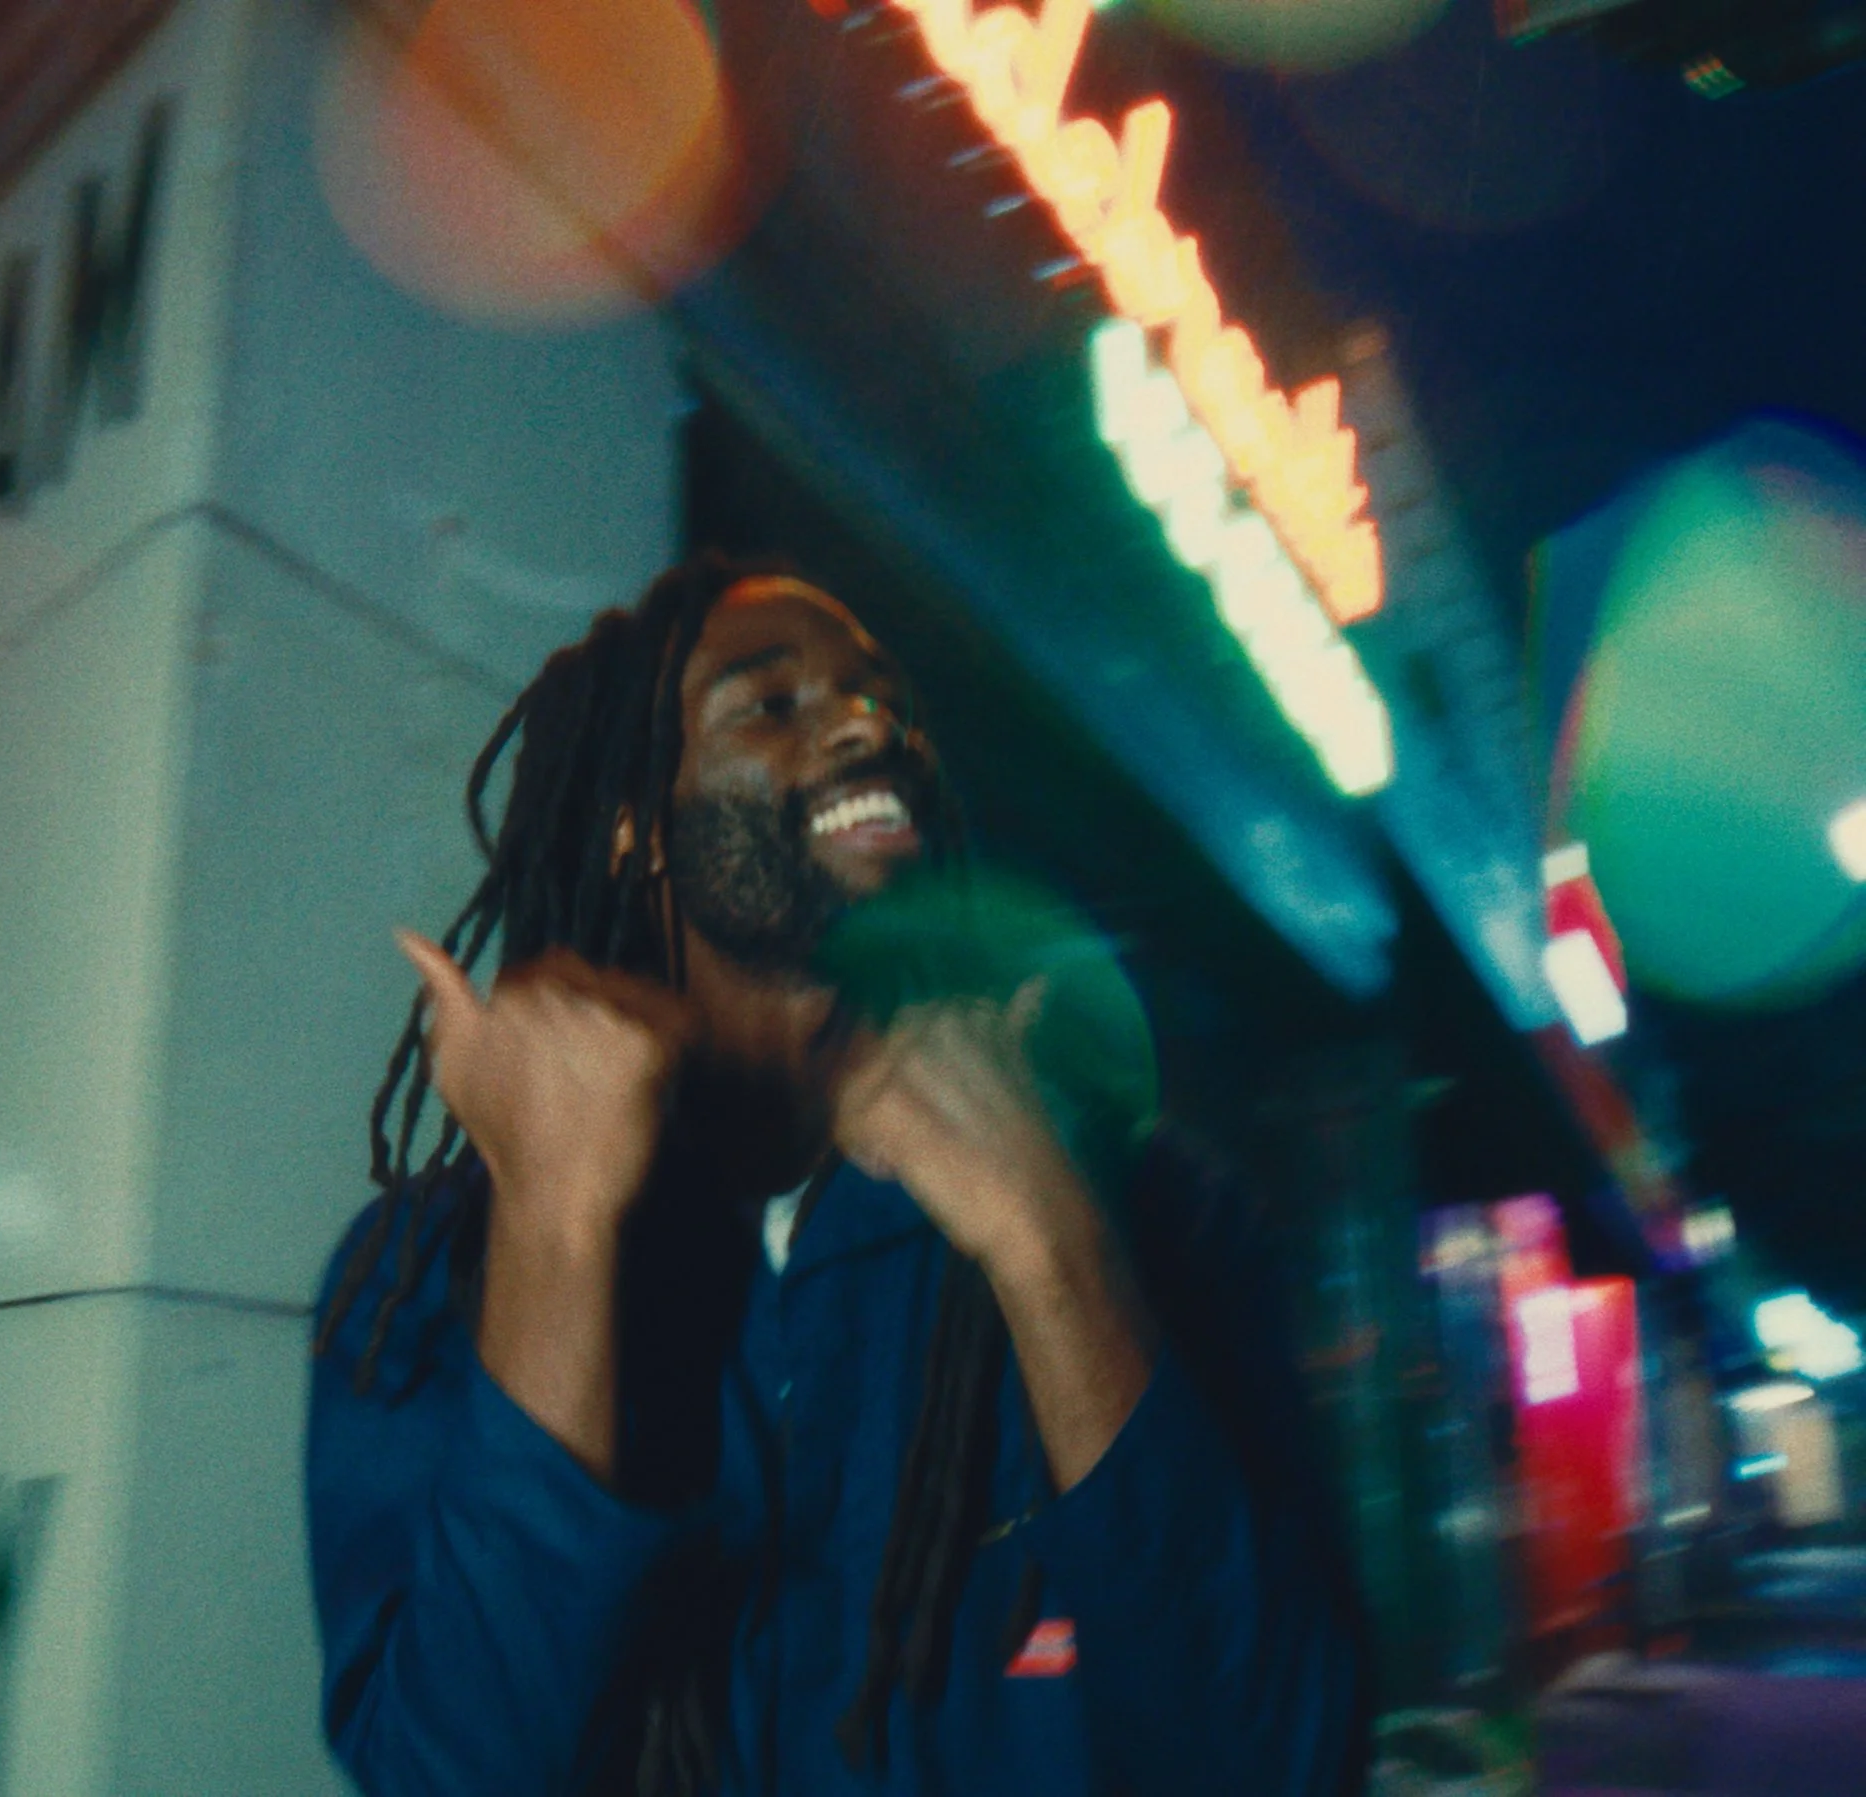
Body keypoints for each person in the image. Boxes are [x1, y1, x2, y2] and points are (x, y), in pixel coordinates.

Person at [306, 554, 1363, 1795]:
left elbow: (1279, 1764)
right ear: (633, 821)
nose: (869, 725)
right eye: (769, 703)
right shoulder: (430, 1277)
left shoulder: (1151, 1214)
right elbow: (451, 1778)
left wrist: (1052, 1249)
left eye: (886, 704)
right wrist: (553, 1232)